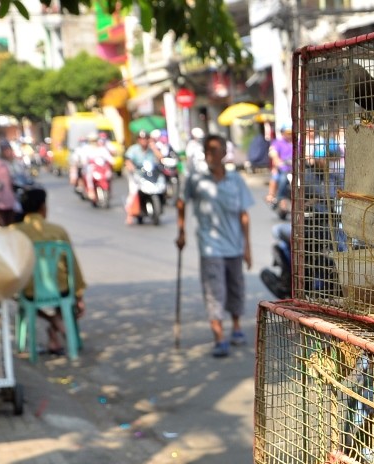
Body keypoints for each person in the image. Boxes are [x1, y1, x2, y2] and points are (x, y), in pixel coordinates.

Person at [176, 133, 254, 358]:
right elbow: (181, 202)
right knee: (214, 291)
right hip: (209, 246)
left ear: (223, 154)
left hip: (234, 245)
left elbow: (244, 215)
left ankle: (236, 328)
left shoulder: (236, 180)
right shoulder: (195, 179)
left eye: (214, 151)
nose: (210, 155)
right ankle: (219, 336)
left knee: (235, 288)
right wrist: (181, 231)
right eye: (207, 151)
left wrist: (247, 247)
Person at [11, 187, 87, 355]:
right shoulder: (58, 231)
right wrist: (79, 294)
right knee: (65, 300)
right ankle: (57, 324)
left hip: (28, 291)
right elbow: (73, 265)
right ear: (43, 207)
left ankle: (54, 331)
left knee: (19, 297)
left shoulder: (14, 232)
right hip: (61, 289)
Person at [124, 131, 163, 225]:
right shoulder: (133, 149)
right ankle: (129, 214)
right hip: (137, 174)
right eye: (142, 139)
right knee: (133, 192)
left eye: (146, 139)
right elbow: (128, 160)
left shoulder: (151, 149)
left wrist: (153, 147)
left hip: (149, 175)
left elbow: (161, 158)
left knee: (161, 187)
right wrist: (131, 167)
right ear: (138, 140)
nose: (144, 141)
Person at [266, 123, 294, 205]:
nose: (289, 135)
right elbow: (273, 153)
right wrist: (278, 161)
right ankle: (275, 196)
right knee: (280, 178)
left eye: (291, 133)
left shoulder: (297, 142)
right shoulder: (278, 143)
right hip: (283, 169)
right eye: (287, 133)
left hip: (295, 170)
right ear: (283, 133)